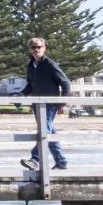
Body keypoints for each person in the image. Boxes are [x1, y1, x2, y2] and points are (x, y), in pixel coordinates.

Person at [19, 37, 71, 171]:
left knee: (44, 131)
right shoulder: (31, 65)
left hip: (50, 104)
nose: (36, 50)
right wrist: (21, 94)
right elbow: (31, 85)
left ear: (44, 48)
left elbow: (66, 83)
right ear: (30, 50)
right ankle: (61, 161)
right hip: (37, 105)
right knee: (50, 131)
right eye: (33, 47)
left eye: (39, 47)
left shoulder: (50, 64)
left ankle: (35, 160)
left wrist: (63, 103)